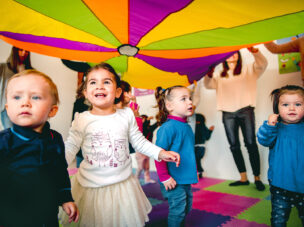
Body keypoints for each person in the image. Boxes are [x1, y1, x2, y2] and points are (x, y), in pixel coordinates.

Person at [60, 62, 180, 227]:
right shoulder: (81, 118)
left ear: (117, 92)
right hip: (90, 187)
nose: (100, 86)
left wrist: (160, 153)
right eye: (93, 82)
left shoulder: (126, 115)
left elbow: (139, 141)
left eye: (106, 82)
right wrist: (54, 168)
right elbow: (70, 147)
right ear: (85, 93)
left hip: (122, 186)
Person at [0, 69, 79, 226]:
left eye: (35, 97)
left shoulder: (54, 139)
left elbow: (60, 172)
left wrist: (65, 198)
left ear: (52, 110)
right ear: (8, 109)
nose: (25, 102)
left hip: (47, 212)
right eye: (17, 97)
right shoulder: (4, 141)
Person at [204, 47, 267, 191]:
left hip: (246, 110)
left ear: (238, 55)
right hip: (227, 113)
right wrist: (209, 73)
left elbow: (262, 64)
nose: (231, 55)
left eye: (234, 52)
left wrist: (255, 51)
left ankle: (257, 178)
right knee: (234, 146)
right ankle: (243, 178)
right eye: (228, 53)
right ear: (223, 58)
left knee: (251, 143)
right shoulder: (220, 75)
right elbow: (208, 85)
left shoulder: (249, 69)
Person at [257, 85, 304, 226]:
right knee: (278, 220)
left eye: (298, 104)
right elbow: (263, 140)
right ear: (277, 108)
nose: (291, 108)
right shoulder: (274, 128)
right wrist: (269, 125)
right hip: (280, 185)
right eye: (285, 104)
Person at [154, 85, 198, 227]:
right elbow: (158, 154)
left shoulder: (187, 126)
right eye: (183, 99)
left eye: (190, 98)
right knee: (177, 211)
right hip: (173, 179)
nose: (190, 102)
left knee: (186, 208)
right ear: (169, 106)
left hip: (184, 178)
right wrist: (164, 177)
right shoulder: (167, 128)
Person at [0, 46, 33, 130]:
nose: (24, 53)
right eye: (21, 50)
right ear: (14, 51)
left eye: (26, 51)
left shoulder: (32, 72)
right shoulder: (3, 68)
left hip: (25, 108)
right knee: (10, 134)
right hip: (7, 108)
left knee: (24, 134)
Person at [188, 109, 214, 179]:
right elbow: (207, 137)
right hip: (202, 148)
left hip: (196, 147)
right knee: (197, 160)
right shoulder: (203, 126)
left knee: (195, 160)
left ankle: (198, 172)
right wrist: (210, 131)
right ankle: (199, 173)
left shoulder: (194, 127)